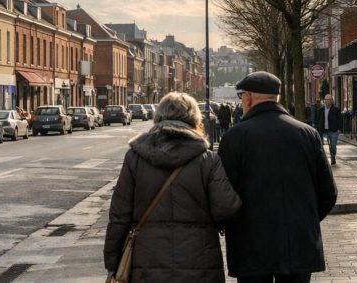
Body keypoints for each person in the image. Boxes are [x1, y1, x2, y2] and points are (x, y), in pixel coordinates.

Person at [105, 92, 241, 281]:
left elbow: (119, 215)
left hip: (147, 261)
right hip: (199, 260)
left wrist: (112, 261)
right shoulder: (207, 160)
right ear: (194, 120)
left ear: (158, 117)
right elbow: (226, 207)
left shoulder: (135, 158)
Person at [218, 71, 337, 282]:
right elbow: (328, 192)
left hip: (250, 245)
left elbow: (224, 194)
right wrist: (304, 219)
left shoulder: (234, 137)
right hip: (298, 242)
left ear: (248, 98)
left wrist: (236, 224)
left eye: (241, 96)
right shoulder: (307, 134)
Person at [316, 94, 341, 165]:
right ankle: (322, 159)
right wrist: (317, 127)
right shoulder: (321, 110)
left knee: (333, 145)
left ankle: (333, 156)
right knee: (321, 145)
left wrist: (339, 128)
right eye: (325, 99)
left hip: (333, 130)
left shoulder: (336, 109)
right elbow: (318, 119)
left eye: (328, 100)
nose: (326, 101)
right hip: (323, 130)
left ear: (331, 101)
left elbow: (339, 119)